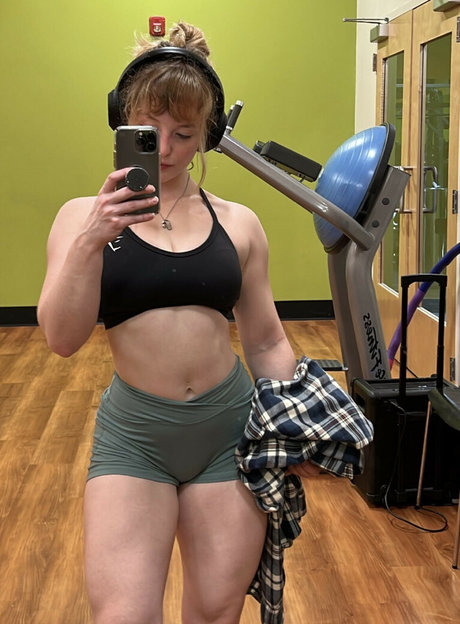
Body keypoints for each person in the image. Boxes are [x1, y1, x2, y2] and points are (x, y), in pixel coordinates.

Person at [38, 21, 318, 624]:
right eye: (148, 132)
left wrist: (290, 422)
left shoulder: (239, 223)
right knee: (124, 615)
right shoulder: (79, 218)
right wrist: (91, 240)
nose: (164, 149)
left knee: (216, 612)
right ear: (121, 125)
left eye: (184, 134)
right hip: (135, 436)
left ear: (206, 138)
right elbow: (61, 339)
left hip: (228, 432)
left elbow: (266, 339)